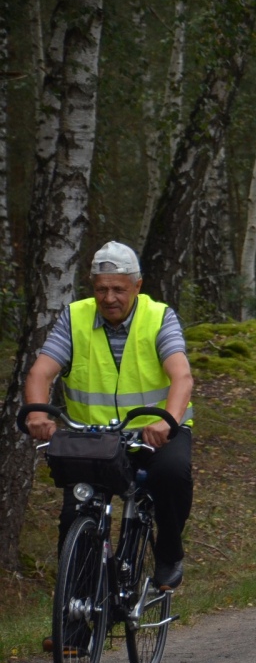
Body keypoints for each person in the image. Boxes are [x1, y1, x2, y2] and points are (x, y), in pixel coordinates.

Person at [24, 241, 194, 602]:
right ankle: (73, 625)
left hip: (155, 432)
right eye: (101, 289)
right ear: (92, 287)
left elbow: (182, 377)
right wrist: (38, 412)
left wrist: (169, 421)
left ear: (137, 286)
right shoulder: (75, 317)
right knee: (75, 515)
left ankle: (168, 553)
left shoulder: (159, 317)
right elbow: (41, 372)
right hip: (94, 437)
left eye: (119, 288)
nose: (109, 297)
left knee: (171, 474)